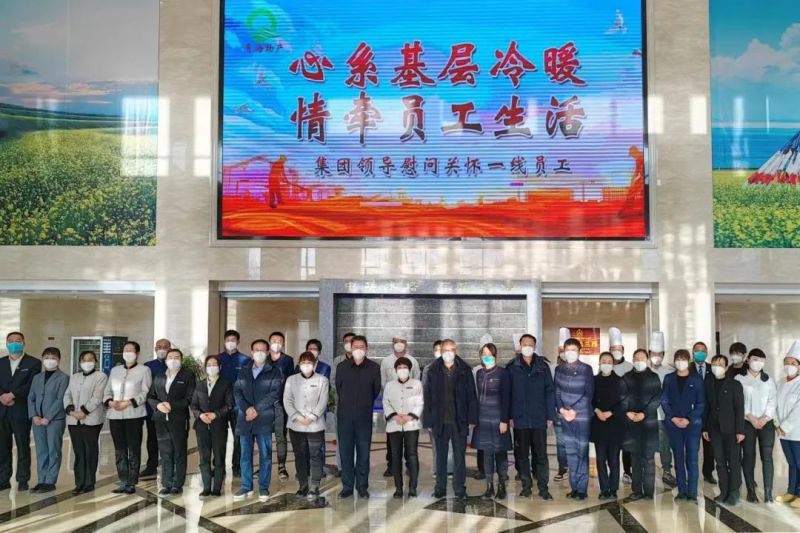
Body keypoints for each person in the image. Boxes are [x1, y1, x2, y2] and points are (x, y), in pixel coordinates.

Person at [423, 339, 478, 501]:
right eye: (445, 350)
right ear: (440, 351)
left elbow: (471, 396)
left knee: (459, 457)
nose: (448, 352)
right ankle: (440, 488)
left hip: (459, 421)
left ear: (456, 350)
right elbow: (427, 396)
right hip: (440, 421)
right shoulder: (432, 370)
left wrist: (472, 418)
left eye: (451, 349)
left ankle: (459, 488)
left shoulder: (465, 370)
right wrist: (428, 421)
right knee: (440, 456)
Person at [234, 339, 283, 502]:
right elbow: (237, 391)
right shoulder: (244, 370)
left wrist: (256, 409)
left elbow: (275, 393)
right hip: (245, 418)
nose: (259, 353)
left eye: (263, 350)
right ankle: (246, 486)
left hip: (264, 418)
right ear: (251, 352)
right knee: (245, 455)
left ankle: (263, 488)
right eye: (256, 350)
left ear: (268, 352)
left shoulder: (274, 371)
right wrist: (246, 408)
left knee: (265, 455)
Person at [508, 333, 555, 500]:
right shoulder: (512, 367)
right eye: (524, 344)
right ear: (520, 346)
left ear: (535, 347)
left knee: (541, 455)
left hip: (539, 417)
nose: (527, 347)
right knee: (522, 455)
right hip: (520, 418)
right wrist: (509, 416)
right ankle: (526, 486)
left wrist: (550, 415)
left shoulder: (543, 366)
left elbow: (550, 392)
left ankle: (543, 488)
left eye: (530, 344)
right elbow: (508, 394)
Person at [335, 335, 381, 498]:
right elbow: (338, 388)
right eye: (356, 347)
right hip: (345, 416)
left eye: (362, 347)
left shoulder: (374, 368)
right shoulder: (342, 367)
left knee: (363, 453)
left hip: (364, 416)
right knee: (345, 452)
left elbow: (376, 390)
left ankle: (362, 486)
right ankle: (347, 486)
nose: (358, 350)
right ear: (351, 348)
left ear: (366, 349)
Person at [104, 341, 152, 494]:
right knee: (119, 449)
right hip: (115, 415)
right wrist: (110, 402)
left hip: (134, 415)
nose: (128, 353)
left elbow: (145, 392)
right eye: (126, 350)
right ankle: (123, 480)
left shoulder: (144, 370)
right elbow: (107, 391)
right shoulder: (115, 370)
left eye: (131, 350)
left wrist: (128, 402)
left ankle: (132, 481)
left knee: (133, 448)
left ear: (137, 353)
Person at [147, 348, 196, 495]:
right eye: (170, 357)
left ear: (181, 359)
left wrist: (172, 405)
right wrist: (158, 405)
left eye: (176, 357)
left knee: (179, 451)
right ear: (166, 360)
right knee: (165, 452)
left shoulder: (187, 375)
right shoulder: (159, 376)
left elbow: (190, 398)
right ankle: (166, 483)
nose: (173, 360)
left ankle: (177, 483)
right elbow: (151, 396)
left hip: (178, 419)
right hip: (161, 419)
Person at [285, 351, 329, 501]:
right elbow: (287, 400)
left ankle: (314, 485)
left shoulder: (322, 380)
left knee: (315, 455)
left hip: (315, 425)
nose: (306, 365)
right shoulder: (291, 380)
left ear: (314, 364)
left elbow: (323, 401)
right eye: (303, 363)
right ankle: (303, 485)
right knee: (300, 455)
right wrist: (298, 416)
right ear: (299, 364)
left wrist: (311, 417)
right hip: (296, 425)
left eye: (309, 363)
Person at [0, 331, 41, 492]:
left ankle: (23, 479)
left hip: (21, 410)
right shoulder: (1, 362)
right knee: (3, 446)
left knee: (23, 445)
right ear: (6, 343)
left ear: (24, 343)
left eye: (18, 341)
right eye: (11, 341)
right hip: (2, 410)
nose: (14, 343)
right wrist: (2, 396)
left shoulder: (33, 363)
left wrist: (13, 395)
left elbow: (32, 384)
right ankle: (3, 478)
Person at [554, 337, 594, 500]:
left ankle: (582, 489)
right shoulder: (559, 369)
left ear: (579, 351)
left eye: (573, 350)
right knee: (570, 452)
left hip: (581, 416)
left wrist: (574, 410)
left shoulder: (586, 369)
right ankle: (574, 487)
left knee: (581, 451)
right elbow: (556, 392)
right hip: (565, 416)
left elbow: (588, 394)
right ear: (563, 351)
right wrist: (562, 410)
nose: (570, 353)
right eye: (568, 350)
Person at [662, 349, 705, 502]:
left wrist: (689, 418)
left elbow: (701, 403)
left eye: (683, 359)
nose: (680, 362)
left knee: (692, 459)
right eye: (678, 359)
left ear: (689, 361)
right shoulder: (669, 379)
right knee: (678, 458)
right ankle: (682, 491)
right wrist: (672, 417)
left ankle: (692, 492)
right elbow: (664, 401)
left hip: (692, 425)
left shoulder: (696, 379)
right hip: (674, 424)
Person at [702, 354, 745, 506]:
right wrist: (705, 428)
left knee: (733, 462)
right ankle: (724, 490)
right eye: (714, 363)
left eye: (720, 364)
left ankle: (734, 492)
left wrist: (740, 430)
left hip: (731, 429)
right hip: (714, 429)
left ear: (726, 368)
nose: (717, 367)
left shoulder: (735, 385)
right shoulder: (708, 384)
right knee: (719, 462)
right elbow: (706, 407)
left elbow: (739, 408)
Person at [735, 348, 776, 503]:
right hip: (747, 422)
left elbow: (772, 401)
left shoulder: (768, 380)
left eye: (761, 360)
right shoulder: (739, 378)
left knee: (767, 457)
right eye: (755, 359)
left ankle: (768, 493)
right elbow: (738, 402)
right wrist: (751, 417)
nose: (758, 362)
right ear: (748, 360)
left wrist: (765, 418)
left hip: (766, 423)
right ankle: (751, 490)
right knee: (748, 456)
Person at [64, 350, 108, 494]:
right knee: (78, 451)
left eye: (91, 359)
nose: (87, 362)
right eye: (84, 360)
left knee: (90, 451)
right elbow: (67, 395)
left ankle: (89, 482)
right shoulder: (74, 377)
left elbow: (97, 397)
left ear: (95, 361)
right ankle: (79, 483)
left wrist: (83, 412)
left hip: (92, 419)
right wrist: (71, 411)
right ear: (80, 362)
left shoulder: (101, 376)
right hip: (73, 420)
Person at [473, 343, 512, 500]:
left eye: (489, 354)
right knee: (487, 453)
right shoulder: (479, 373)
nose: (486, 356)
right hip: (483, 419)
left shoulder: (503, 373)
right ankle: (489, 486)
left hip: (498, 419)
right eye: (484, 354)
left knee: (500, 453)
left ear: (495, 356)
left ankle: (501, 485)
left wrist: (504, 420)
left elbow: (506, 398)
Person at [191, 355, 234, 497]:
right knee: (204, 458)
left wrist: (216, 414)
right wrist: (200, 415)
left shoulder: (226, 383)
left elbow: (229, 404)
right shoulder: (199, 385)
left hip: (219, 425)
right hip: (202, 426)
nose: (212, 367)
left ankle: (217, 488)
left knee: (219, 457)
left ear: (220, 367)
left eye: (214, 364)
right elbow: (194, 405)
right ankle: (206, 487)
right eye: (209, 365)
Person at [622, 349, 662, 500]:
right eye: (636, 358)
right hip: (631, 422)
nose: (639, 361)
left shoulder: (654, 377)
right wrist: (628, 412)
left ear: (647, 360)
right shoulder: (626, 378)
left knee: (649, 459)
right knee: (635, 459)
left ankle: (649, 491)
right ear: (633, 360)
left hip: (648, 422)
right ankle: (637, 490)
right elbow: (621, 396)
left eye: (642, 358)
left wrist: (644, 413)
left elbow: (657, 398)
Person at [27, 347, 69, 493]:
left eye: (53, 357)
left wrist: (48, 417)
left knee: (53, 450)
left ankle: (50, 481)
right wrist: (34, 415)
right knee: (41, 451)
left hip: (54, 420)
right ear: (43, 359)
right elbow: (31, 397)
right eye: (47, 357)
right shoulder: (37, 378)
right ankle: (41, 480)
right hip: (37, 421)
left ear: (59, 360)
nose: (49, 360)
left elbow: (60, 399)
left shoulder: (63, 378)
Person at [383, 356, 423, 499]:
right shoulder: (389, 385)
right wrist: (395, 416)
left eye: (405, 367)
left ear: (410, 369)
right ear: (395, 370)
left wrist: (408, 416)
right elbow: (386, 402)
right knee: (395, 456)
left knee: (412, 455)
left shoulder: (417, 384)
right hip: (394, 425)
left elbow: (420, 403)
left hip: (411, 425)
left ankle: (412, 487)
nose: (402, 370)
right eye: (399, 368)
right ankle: (398, 488)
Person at [380, 337, 421, 477]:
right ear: (392, 343)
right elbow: (383, 382)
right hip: (392, 408)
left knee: (411, 444)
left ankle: (410, 466)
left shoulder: (413, 361)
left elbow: (416, 382)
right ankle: (391, 466)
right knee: (392, 442)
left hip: (409, 410)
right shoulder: (386, 361)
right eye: (396, 341)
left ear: (406, 344)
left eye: (402, 341)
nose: (399, 344)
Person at [592, 352, 627, 500]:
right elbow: (589, 399)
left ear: (613, 364)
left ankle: (613, 489)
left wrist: (611, 412)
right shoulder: (594, 380)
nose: (606, 363)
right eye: (603, 361)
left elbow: (624, 402)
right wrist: (597, 411)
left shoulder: (620, 381)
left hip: (615, 424)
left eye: (609, 361)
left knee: (613, 459)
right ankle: (604, 489)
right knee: (600, 459)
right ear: (599, 363)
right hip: (599, 424)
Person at [297, 339, 330, 478]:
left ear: (319, 352)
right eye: (309, 348)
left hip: (318, 409)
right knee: (303, 440)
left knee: (318, 440)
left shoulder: (325, 367)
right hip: (302, 410)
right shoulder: (298, 367)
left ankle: (319, 468)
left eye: (315, 349)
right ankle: (304, 469)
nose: (312, 351)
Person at [218, 329, 249, 477]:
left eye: (233, 340)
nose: (230, 342)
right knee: (219, 436)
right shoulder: (217, 359)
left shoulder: (245, 360)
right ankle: (218, 466)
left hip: (238, 404)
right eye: (228, 340)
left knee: (238, 436)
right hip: (220, 404)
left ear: (238, 342)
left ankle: (237, 466)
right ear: (224, 342)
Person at [649, 331, 676, 488]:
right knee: (647, 446)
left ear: (663, 354)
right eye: (654, 353)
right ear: (649, 354)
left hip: (664, 415)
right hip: (646, 416)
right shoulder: (643, 371)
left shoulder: (670, 372)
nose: (656, 356)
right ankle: (647, 473)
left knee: (665, 445)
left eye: (659, 354)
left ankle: (666, 471)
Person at [266, 331, 295, 481]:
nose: (276, 343)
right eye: (274, 340)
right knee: (264, 436)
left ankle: (282, 466)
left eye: (279, 341)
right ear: (269, 342)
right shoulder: (263, 359)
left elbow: (290, 382)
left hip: (280, 404)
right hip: (264, 405)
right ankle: (264, 465)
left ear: (283, 343)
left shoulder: (288, 360)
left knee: (280, 436)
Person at [775, 341, 800, 507]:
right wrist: (777, 424)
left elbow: (799, 410)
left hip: (797, 432)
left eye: (793, 363)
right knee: (791, 462)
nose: (789, 366)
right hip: (782, 432)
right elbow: (774, 406)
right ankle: (791, 491)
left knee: (799, 462)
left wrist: (784, 426)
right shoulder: (780, 383)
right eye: (786, 362)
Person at [422, 340, 452, 478]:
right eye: (436, 350)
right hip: (434, 413)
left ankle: (450, 469)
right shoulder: (428, 369)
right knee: (435, 444)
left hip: (450, 413)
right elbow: (424, 392)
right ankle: (437, 469)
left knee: (450, 444)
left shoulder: (454, 367)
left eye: (442, 349)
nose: (439, 352)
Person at [141, 338, 170, 480]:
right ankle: (151, 466)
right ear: (155, 349)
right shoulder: (148, 366)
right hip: (152, 410)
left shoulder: (174, 364)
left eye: (165, 347)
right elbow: (145, 389)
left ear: (170, 349)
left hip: (171, 409)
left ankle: (169, 465)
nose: (162, 349)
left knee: (170, 439)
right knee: (152, 439)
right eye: (159, 347)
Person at [609, 327, 634, 485]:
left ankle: (627, 471)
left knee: (626, 445)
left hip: (625, 412)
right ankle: (613, 472)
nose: (616, 351)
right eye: (613, 349)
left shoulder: (630, 367)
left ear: (623, 350)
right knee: (612, 446)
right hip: (610, 413)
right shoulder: (606, 366)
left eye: (618, 349)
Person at [331, 332, 356, 478]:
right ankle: (341, 467)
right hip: (341, 404)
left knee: (357, 438)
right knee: (341, 438)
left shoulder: (361, 360)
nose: (349, 343)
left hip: (357, 406)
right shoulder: (338, 361)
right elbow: (333, 380)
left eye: (352, 341)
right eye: (346, 341)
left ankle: (355, 466)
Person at [692, 341, 717, 485]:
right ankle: (692, 472)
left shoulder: (712, 369)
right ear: (693, 352)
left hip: (709, 414)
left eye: (703, 350)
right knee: (692, 446)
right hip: (692, 413)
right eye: (697, 350)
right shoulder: (688, 368)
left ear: (707, 353)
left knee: (709, 447)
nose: (700, 353)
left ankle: (708, 473)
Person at [552, 327, 570, 483]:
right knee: (561, 443)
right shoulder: (553, 369)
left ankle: (575, 467)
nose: (564, 353)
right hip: (559, 412)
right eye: (561, 350)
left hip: (576, 413)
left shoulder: (581, 368)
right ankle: (563, 468)